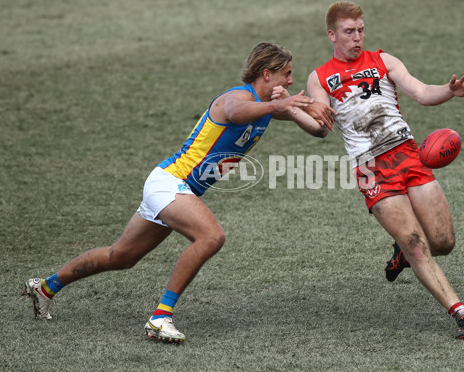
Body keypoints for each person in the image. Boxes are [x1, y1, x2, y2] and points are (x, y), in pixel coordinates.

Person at [24, 42, 328, 344]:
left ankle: (46, 287)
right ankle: (160, 317)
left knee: (122, 257)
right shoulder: (237, 99)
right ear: (266, 73)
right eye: (286, 74)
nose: (290, 80)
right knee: (211, 237)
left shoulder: (266, 109)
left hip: (178, 189)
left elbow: (317, 129)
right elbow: (237, 113)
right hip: (170, 183)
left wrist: (305, 105)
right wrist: (279, 105)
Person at [305, 1, 464, 340]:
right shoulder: (320, 77)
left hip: (408, 155)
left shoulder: (384, 61)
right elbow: (321, 127)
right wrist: (293, 109)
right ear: (331, 35)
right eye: (349, 32)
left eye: (360, 30)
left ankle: (401, 253)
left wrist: (449, 91)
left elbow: (422, 93)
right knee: (417, 245)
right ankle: (461, 314)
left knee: (443, 242)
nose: (357, 37)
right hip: (371, 169)